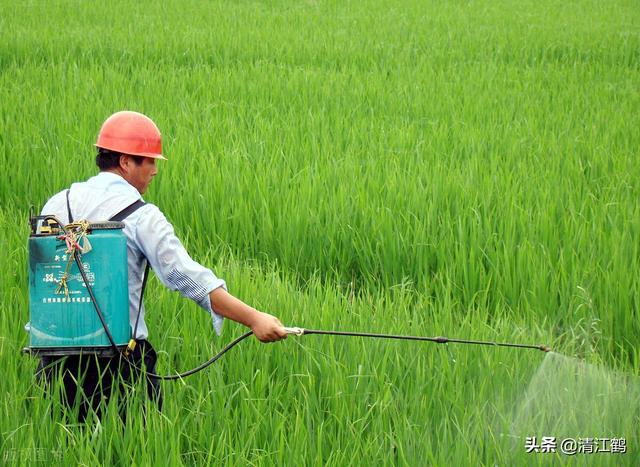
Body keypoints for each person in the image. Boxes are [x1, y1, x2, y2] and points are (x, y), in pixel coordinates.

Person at [36, 110, 287, 422]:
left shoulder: (57, 204)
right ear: (126, 162)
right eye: (149, 160)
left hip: (55, 356)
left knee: (67, 444)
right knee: (136, 446)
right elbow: (186, 277)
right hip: (119, 363)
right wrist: (254, 319)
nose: (154, 170)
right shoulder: (143, 216)